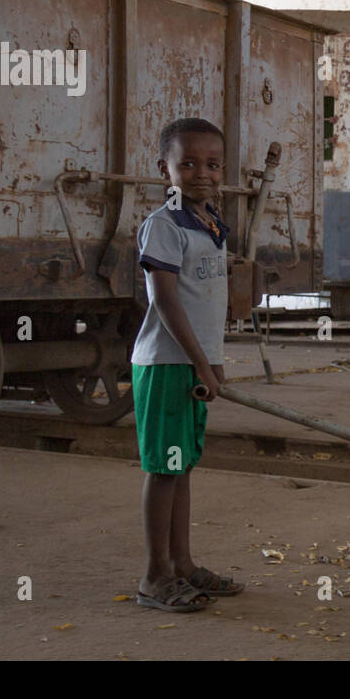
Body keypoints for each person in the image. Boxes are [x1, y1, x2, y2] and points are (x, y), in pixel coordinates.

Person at [130, 117, 244, 612]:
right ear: (165, 169)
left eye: (213, 164)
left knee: (182, 465)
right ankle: (155, 576)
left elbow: (206, 303)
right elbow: (166, 302)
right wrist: (200, 364)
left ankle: (184, 564)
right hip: (167, 364)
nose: (203, 173)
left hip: (194, 365)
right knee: (164, 467)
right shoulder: (163, 225)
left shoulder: (212, 226)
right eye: (189, 163)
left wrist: (212, 363)